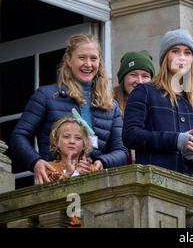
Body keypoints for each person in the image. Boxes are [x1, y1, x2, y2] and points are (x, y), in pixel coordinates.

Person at [10, 33, 128, 185]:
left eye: (93, 58)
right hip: (55, 182)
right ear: (69, 60)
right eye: (82, 57)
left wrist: (101, 162)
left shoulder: (111, 105)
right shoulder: (46, 96)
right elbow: (19, 136)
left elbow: (122, 151)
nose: (88, 64)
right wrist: (36, 162)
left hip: (96, 185)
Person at [122, 29, 193, 182]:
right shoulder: (145, 92)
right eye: (175, 51)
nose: (182, 57)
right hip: (158, 186)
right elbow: (130, 136)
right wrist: (175, 140)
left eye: (187, 53)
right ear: (165, 57)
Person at [113, 50, 155, 163]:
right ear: (123, 79)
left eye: (145, 76)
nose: (139, 81)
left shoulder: (158, 109)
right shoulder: (109, 106)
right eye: (133, 75)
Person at [45, 110, 99, 182]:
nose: (72, 141)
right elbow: (49, 191)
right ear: (56, 141)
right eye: (66, 136)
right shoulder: (49, 168)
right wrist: (69, 174)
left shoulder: (91, 169)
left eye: (78, 138)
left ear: (84, 144)